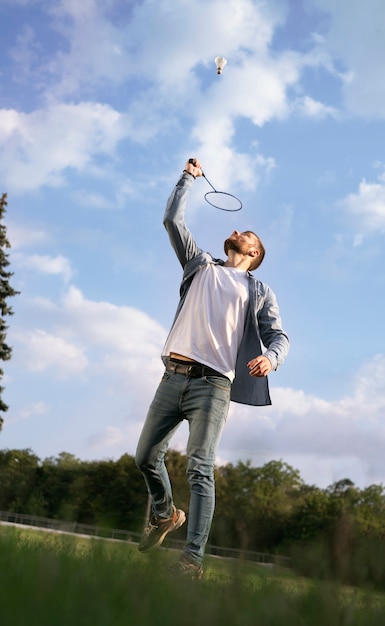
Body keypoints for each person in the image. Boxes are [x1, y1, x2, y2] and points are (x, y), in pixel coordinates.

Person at [135, 158, 289, 580]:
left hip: (214, 386)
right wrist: (189, 178)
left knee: (200, 467)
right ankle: (165, 515)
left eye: (247, 235)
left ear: (252, 254)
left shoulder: (257, 290)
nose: (237, 232)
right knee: (146, 457)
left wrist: (270, 358)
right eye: (239, 231)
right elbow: (171, 219)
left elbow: (279, 336)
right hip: (173, 376)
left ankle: (192, 561)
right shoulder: (199, 265)